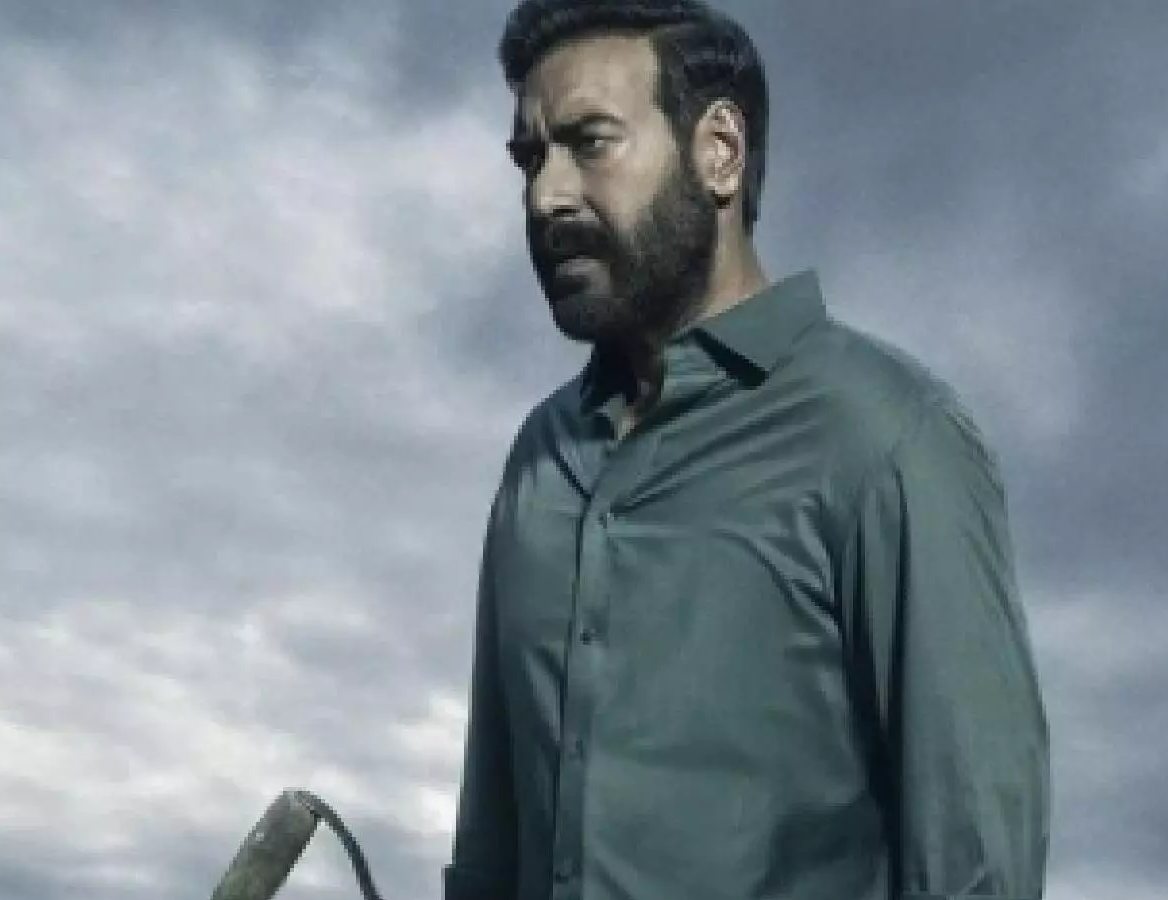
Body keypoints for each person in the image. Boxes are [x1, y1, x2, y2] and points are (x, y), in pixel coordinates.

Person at [444, 1, 1051, 898]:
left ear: (719, 151)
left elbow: (976, 869)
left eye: (589, 143)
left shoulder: (887, 436)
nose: (546, 195)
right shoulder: (540, 459)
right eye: (530, 159)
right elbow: (491, 847)